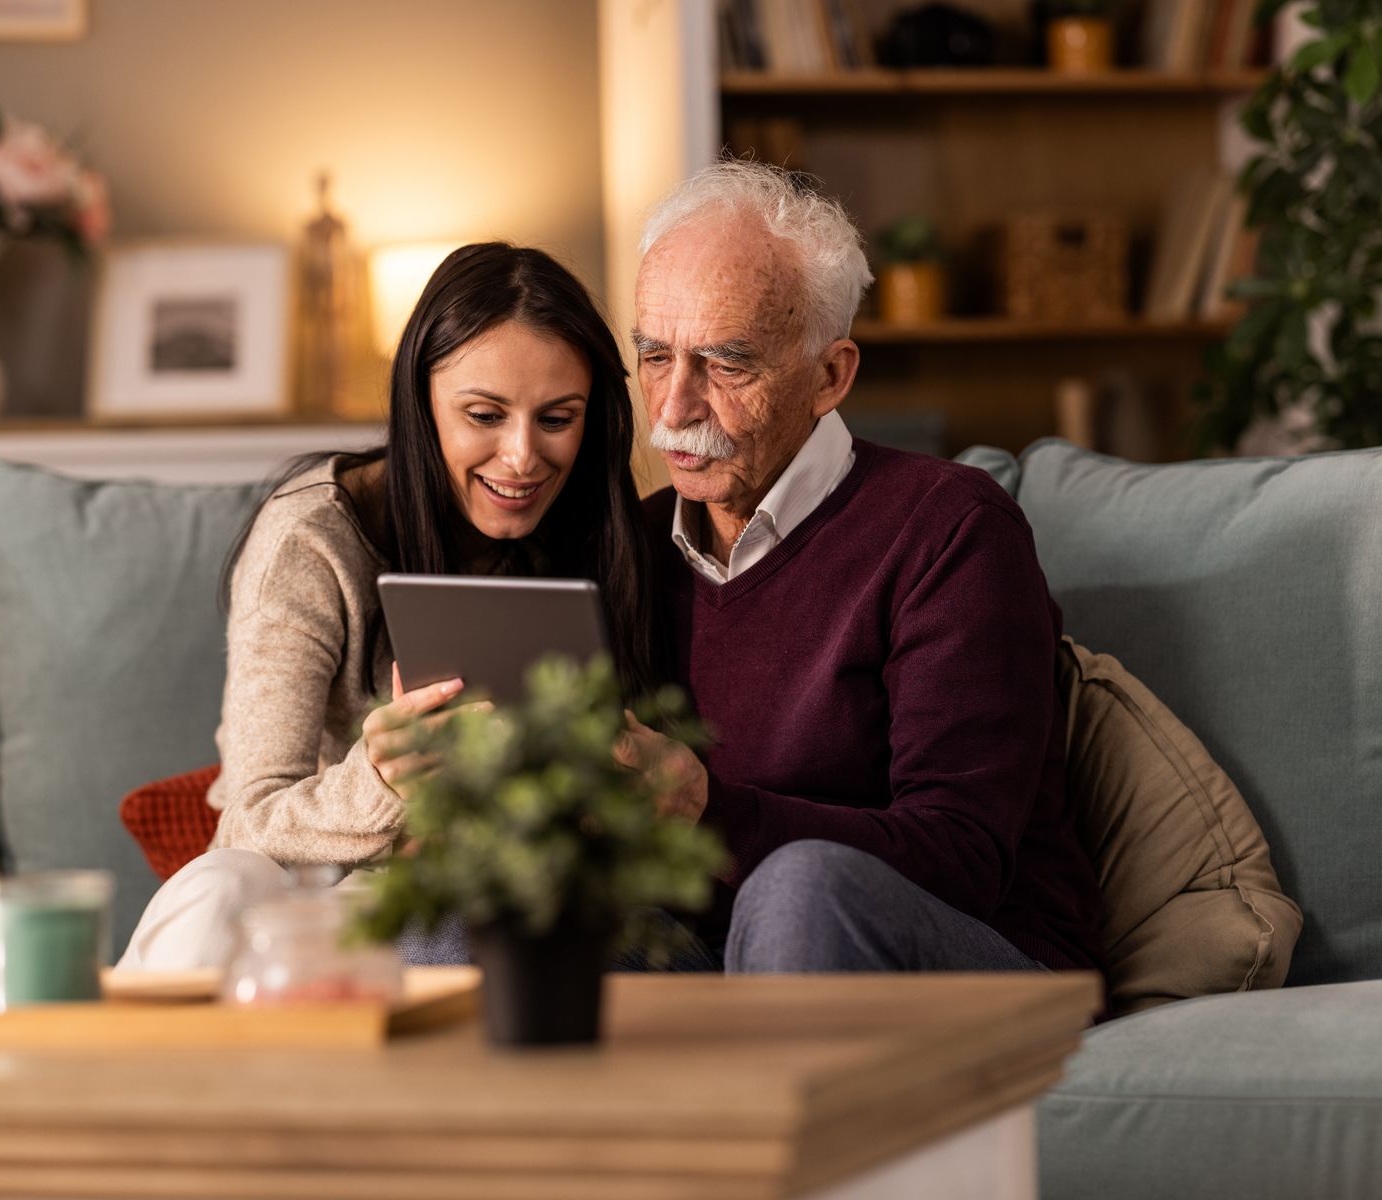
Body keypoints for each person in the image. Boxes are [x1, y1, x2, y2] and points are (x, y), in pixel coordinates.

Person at [617, 161, 1105, 975]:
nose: (673, 408)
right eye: (655, 356)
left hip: (973, 953)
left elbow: (961, 857)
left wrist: (705, 809)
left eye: (726, 363)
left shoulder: (949, 530)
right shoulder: (628, 545)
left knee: (801, 892)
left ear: (831, 376)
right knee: (479, 912)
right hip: (711, 952)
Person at [118, 242, 653, 970]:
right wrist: (380, 781)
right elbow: (247, 821)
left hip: (485, 886)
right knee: (217, 886)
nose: (523, 456)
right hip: (315, 875)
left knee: (453, 911)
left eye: (556, 419)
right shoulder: (314, 540)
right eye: (484, 414)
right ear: (420, 402)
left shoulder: (614, 533)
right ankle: (129, 1076)